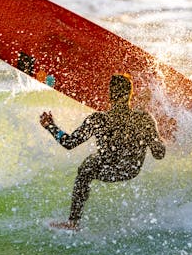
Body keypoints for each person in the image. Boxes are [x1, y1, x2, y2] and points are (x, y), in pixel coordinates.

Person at [40, 73, 166, 230]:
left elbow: (69, 143)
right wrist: (156, 136)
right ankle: (73, 222)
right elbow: (159, 154)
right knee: (93, 160)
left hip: (107, 170)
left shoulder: (98, 119)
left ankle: (73, 222)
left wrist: (50, 126)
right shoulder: (144, 119)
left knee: (88, 165)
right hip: (130, 169)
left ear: (110, 96)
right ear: (130, 95)